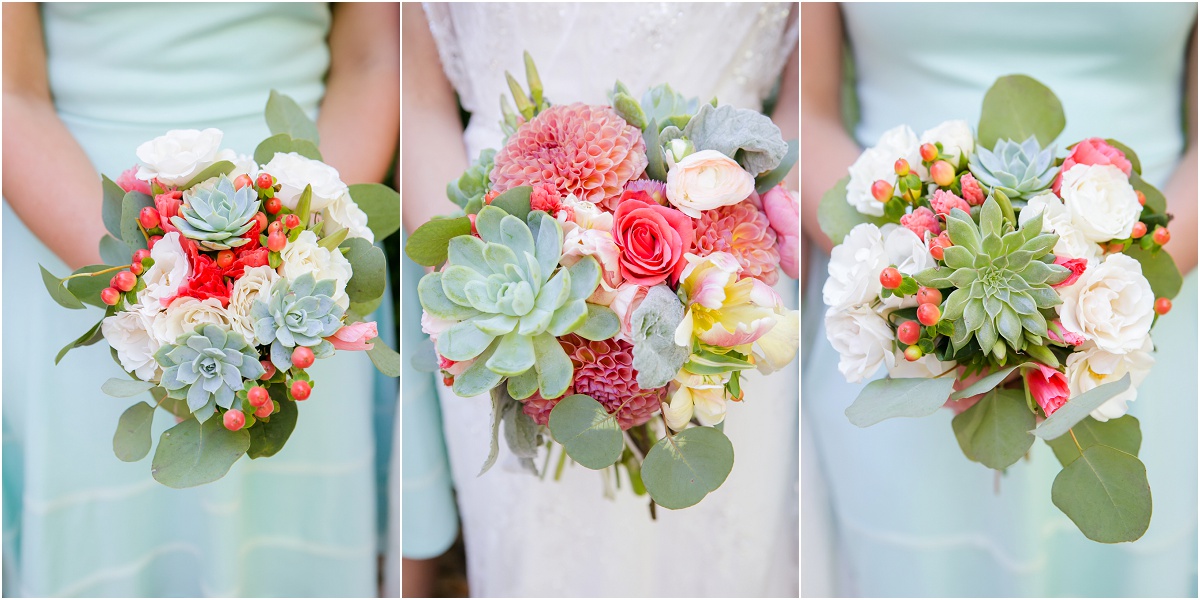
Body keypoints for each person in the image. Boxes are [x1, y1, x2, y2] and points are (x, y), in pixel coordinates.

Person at [799, 3, 1198, 596]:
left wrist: (1085, 302)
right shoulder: (910, 307)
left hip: (1131, 318)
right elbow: (805, 111)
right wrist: (925, 302)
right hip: (902, 331)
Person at [401, 2, 799, 596]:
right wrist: (500, 303)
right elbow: (417, 97)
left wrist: (676, 298)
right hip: (498, 277)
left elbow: (800, 101)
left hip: (732, 272)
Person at [2, 3, 398, 596]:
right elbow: (11, 90)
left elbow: (372, 57)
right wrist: (152, 291)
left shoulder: (303, 251)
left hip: (300, 225)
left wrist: (300, 250)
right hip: (78, 216)